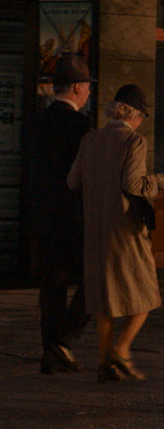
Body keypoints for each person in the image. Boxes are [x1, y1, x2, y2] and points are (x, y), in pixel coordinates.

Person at [67, 84, 164, 382]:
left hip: (95, 231)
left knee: (104, 301)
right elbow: (133, 185)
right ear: (135, 115)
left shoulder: (90, 140)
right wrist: (159, 180)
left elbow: (73, 181)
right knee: (147, 292)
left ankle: (105, 364)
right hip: (125, 232)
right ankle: (121, 350)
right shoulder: (134, 141)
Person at [22, 54, 93, 374]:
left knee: (52, 284)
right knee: (97, 278)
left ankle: (51, 350)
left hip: (42, 215)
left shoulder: (35, 123)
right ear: (77, 87)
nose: (88, 92)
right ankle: (64, 341)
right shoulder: (81, 126)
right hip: (74, 216)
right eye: (87, 87)